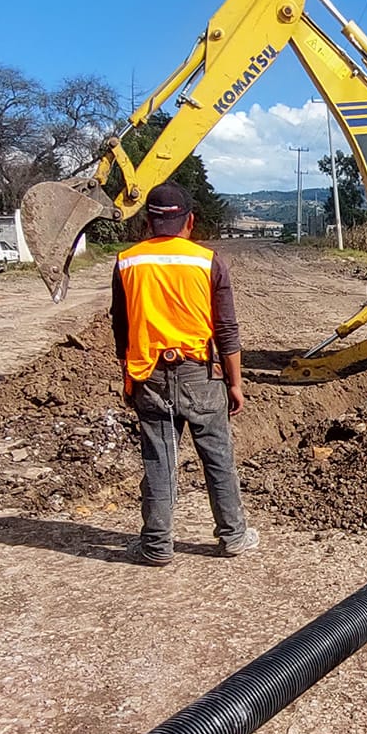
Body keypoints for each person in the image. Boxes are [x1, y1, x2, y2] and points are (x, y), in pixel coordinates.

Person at [111, 183, 258, 565]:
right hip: (200, 375)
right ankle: (233, 536)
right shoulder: (208, 261)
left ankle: (157, 545)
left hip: (149, 374)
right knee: (218, 456)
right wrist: (235, 384)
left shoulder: (127, 262)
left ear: (148, 221)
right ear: (189, 221)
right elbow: (226, 330)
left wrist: (129, 379)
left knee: (159, 460)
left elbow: (122, 330)